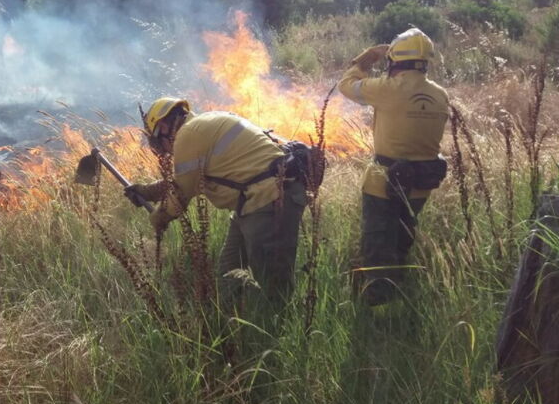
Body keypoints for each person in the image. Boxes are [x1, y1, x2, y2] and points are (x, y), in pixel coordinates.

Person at [126, 98, 309, 321]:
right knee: (228, 275)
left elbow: (181, 196)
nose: (160, 149)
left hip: (268, 200)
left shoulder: (188, 136)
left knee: (273, 285)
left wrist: (158, 218)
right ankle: (234, 327)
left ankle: (279, 334)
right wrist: (146, 191)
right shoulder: (203, 124)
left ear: (163, 127)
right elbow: (186, 180)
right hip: (253, 202)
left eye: (156, 141)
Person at [337, 28, 449, 310]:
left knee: (377, 247)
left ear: (395, 60)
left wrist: (362, 61)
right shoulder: (440, 94)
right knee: (402, 240)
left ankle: (379, 308)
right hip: (421, 185)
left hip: (384, 183)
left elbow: (347, 85)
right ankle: (399, 296)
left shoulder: (389, 89)